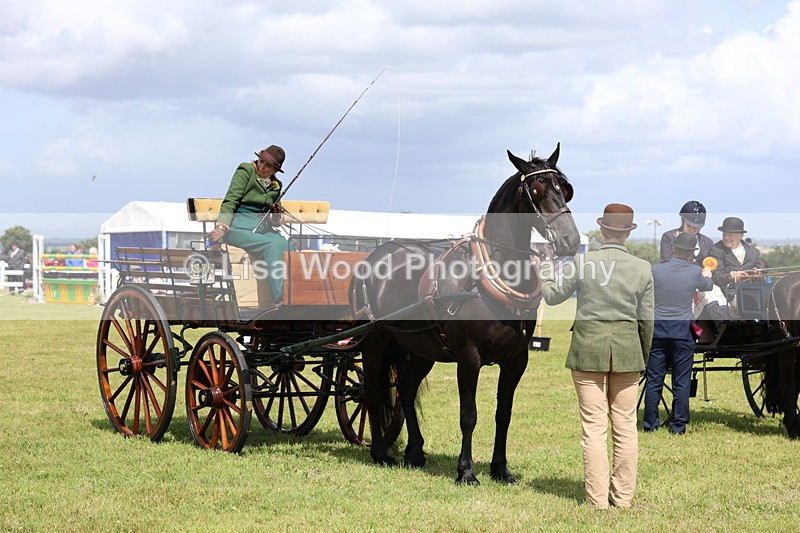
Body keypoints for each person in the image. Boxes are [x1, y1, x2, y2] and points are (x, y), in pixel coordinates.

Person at [539, 203, 654, 510]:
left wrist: (546, 267)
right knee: (626, 427)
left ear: (603, 229)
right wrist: (642, 357)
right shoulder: (643, 269)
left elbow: (551, 296)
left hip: (587, 351)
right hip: (629, 354)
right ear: (628, 233)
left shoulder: (583, 263)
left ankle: (597, 500)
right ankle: (623, 498)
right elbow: (647, 321)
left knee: (593, 428)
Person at [644, 231, 713, 435]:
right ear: (692, 253)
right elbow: (707, 286)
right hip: (682, 332)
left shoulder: (655, 270)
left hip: (658, 332)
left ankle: (650, 425)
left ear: (673, 248)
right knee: (681, 382)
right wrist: (707, 274)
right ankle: (678, 426)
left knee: (654, 380)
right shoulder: (694, 272)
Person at [207, 145, 293, 302]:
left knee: (288, 245)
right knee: (272, 246)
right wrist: (221, 227)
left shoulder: (276, 185)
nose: (262, 167)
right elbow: (231, 200)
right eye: (261, 161)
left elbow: (274, 221)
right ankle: (282, 298)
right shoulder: (246, 171)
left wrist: (275, 215)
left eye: (268, 166)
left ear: (275, 170)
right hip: (236, 227)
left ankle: (297, 294)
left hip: (262, 228)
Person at [707, 217, 761, 304]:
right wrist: (731, 276)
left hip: (752, 293)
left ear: (741, 235)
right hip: (727, 295)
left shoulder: (754, 252)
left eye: (730, 235)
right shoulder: (716, 250)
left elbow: (760, 272)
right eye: (724, 234)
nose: (726, 238)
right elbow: (715, 276)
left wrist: (757, 274)